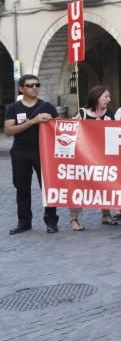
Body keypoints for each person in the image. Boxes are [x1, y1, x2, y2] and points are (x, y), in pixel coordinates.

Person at [5, 75, 59, 234]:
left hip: (43, 152)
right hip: (20, 152)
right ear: (21, 88)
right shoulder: (13, 108)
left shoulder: (47, 106)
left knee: (48, 187)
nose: (34, 88)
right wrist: (32, 121)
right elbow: (8, 131)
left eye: (37, 85)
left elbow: (59, 127)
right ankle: (24, 222)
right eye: (30, 85)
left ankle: (51, 221)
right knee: (22, 188)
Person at [73, 86, 116, 230]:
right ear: (97, 97)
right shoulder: (82, 113)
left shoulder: (109, 113)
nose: (109, 100)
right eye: (106, 97)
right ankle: (74, 219)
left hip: (103, 157)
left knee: (104, 185)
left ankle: (106, 214)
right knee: (78, 187)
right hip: (83, 157)